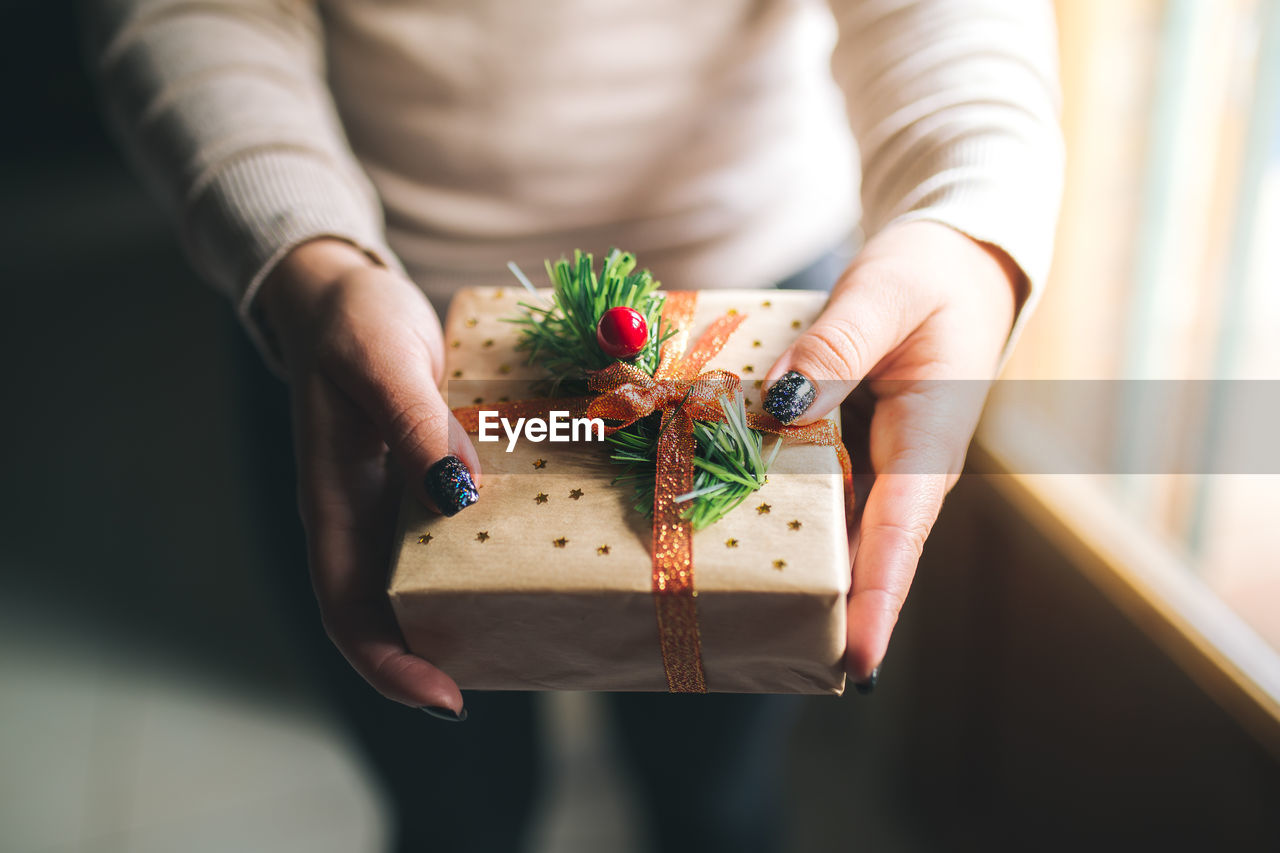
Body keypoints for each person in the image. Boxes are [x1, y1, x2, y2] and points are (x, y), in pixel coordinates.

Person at [84, 0, 1063, 849]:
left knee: (715, 800)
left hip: (764, 330)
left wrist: (970, 211)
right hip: (365, 326)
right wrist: (305, 252)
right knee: (454, 814)